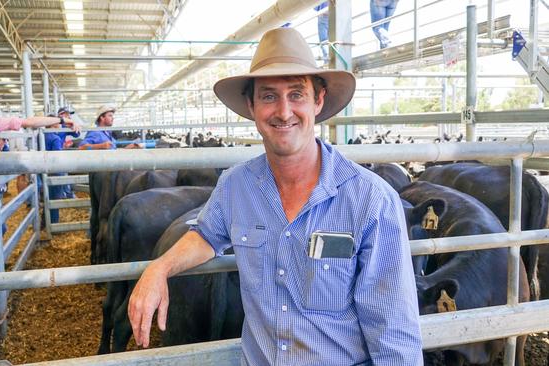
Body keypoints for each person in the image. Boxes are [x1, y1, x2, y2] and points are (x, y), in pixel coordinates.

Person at [128, 28, 422, 365]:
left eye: (296, 94)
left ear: (318, 100)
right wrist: (159, 268)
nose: (283, 112)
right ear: (252, 106)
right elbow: (207, 234)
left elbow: (394, 335)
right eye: (269, 96)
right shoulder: (236, 185)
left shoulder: (371, 200)